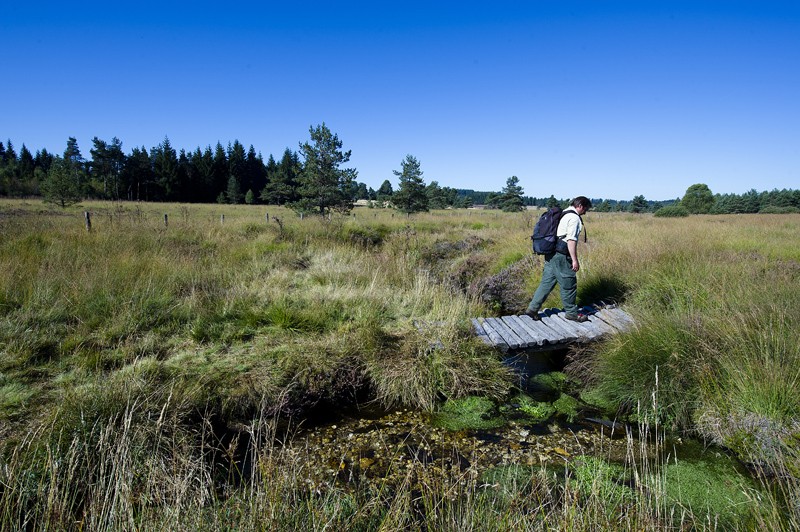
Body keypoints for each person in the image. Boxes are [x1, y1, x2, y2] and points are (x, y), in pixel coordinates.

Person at [524, 196, 592, 322]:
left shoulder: (564, 213)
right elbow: (571, 240)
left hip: (551, 253)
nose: (585, 212)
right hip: (561, 255)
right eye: (585, 209)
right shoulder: (574, 218)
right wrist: (574, 260)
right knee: (569, 284)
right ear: (580, 206)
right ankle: (571, 313)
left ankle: (532, 309)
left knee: (546, 283)